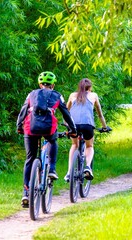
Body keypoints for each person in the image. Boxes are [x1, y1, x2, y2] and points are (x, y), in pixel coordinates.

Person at [16, 71, 77, 208]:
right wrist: (73, 129)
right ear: (53, 85)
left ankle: (26, 193)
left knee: (30, 159)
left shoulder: (32, 94)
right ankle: (52, 170)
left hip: (30, 128)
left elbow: (23, 111)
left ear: (39, 84)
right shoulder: (57, 95)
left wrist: (19, 126)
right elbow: (66, 113)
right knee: (52, 141)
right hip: (48, 128)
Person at [64, 78, 108, 182]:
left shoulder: (72, 95)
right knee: (89, 146)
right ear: (90, 87)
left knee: (74, 145)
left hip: (73, 125)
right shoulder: (94, 96)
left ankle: (69, 172)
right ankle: (88, 167)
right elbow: (100, 114)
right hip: (87, 125)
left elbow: (66, 111)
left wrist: (66, 125)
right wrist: (105, 127)